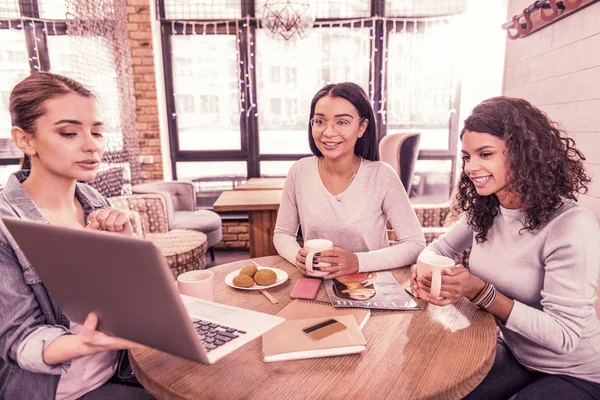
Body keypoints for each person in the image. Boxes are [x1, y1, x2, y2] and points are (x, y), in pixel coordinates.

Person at [410, 97, 600, 399]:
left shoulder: (571, 225)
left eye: (485, 154)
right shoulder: (487, 210)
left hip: (577, 371)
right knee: (436, 388)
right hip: (517, 353)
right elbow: (437, 249)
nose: (471, 167)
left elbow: (564, 336)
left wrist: (479, 291)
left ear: (523, 154)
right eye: (467, 156)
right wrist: (430, 275)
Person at [0, 72, 154, 399]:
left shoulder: (93, 201)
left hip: (121, 370)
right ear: (25, 140)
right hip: (59, 392)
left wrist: (128, 247)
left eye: (97, 132)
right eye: (69, 133)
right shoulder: (6, 225)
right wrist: (85, 343)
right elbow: (16, 341)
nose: (91, 146)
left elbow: (132, 299)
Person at [273, 82, 425, 280]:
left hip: (372, 286)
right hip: (315, 283)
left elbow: (415, 244)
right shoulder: (299, 171)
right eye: (320, 121)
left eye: (342, 122)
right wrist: (298, 258)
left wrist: (357, 262)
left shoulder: (382, 176)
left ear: (362, 127)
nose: (328, 132)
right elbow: (282, 233)